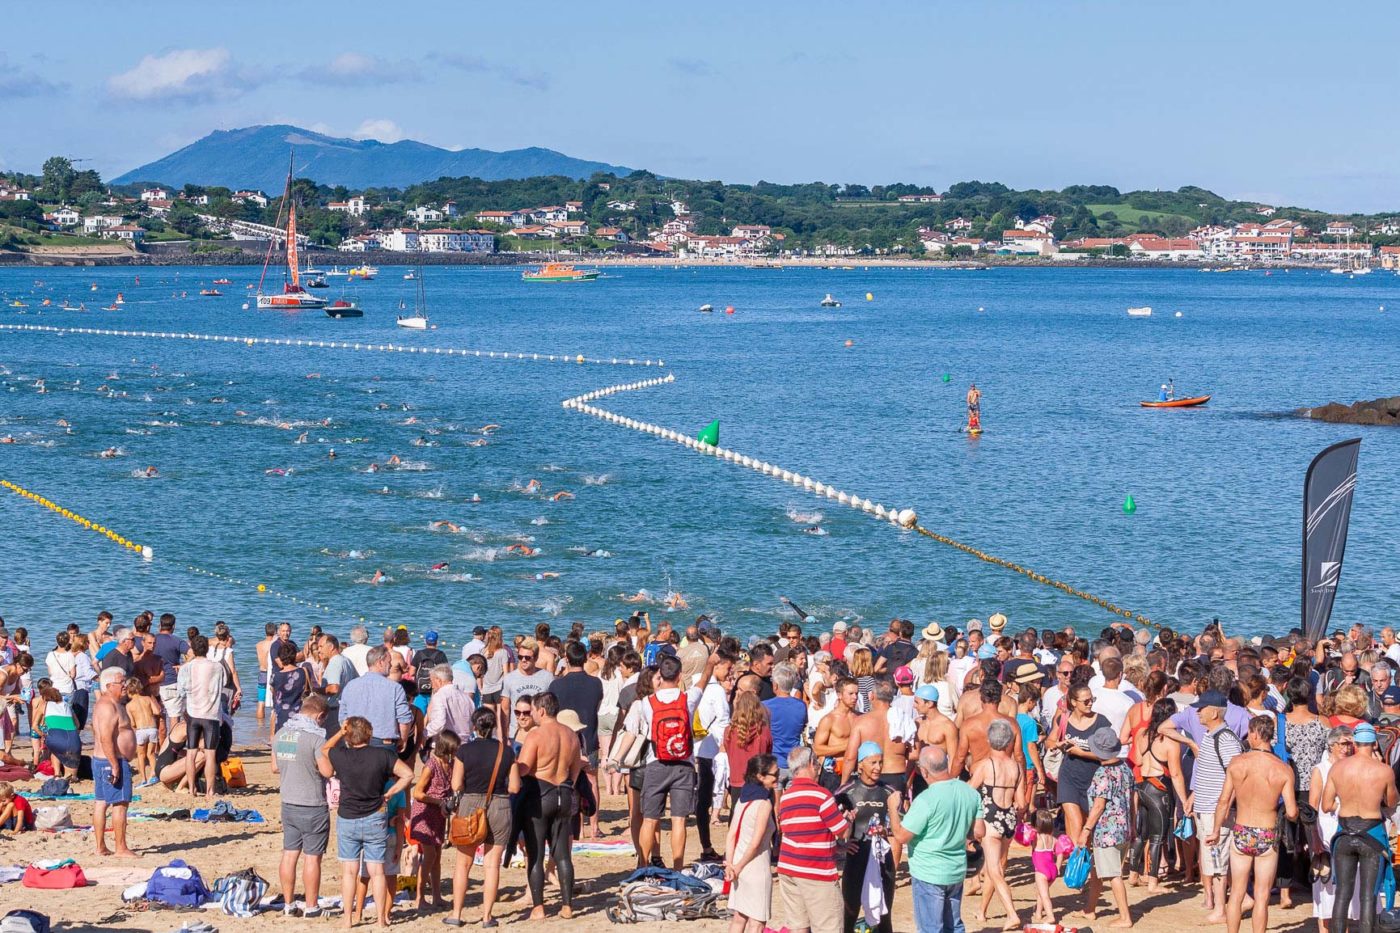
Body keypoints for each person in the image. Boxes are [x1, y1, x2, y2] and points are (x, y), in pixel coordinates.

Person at [319, 716, 414, 930]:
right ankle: (381, 919)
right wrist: (391, 792)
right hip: (375, 816)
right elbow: (408, 775)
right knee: (377, 871)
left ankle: (347, 919)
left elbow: (325, 749)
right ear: (369, 735)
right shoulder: (383, 755)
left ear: (349, 736)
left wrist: (341, 732)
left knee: (350, 872)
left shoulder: (341, 755)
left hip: (348, 817)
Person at [1205, 715, 1298, 933]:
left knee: (1236, 893)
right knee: (1262, 896)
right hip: (1267, 833)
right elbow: (1292, 812)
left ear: (1255, 734)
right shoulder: (1283, 769)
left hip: (1242, 831)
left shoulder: (1237, 763)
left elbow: (1224, 801)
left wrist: (1216, 830)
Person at [631, 652, 715, 869]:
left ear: (660, 675)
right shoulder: (688, 698)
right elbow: (704, 681)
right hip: (684, 765)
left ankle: (643, 863)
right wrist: (710, 663)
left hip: (656, 763)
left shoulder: (647, 703)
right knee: (679, 819)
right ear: (679, 676)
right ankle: (677, 866)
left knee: (650, 819)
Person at [894, 746, 983, 933]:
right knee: (954, 925)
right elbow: (979, 832)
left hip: (929, 872)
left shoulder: (926, 799)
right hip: (956, 869)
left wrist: (892, 810)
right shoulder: (970, 792)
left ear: (923, 771)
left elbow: (901, 836)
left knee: (931, 928)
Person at [1320, 721, 1398, 933]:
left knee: (1342, 895)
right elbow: (1391, 802)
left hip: (1344, 833)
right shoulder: (1383, 771)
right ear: (1374, 743)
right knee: (1368, 897)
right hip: (1371, 833)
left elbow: (1326, 805)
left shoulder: (1338, 768)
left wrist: (1344, 802)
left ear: (1354, 742)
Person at [515, 691, 583, 920]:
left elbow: (523, 769)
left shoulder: (536, 735)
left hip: (540, 794)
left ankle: (538, 907)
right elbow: (575, 771)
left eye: (533, 710)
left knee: (535, 854)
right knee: (563, 854)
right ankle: (567, 906)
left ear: (541, 710)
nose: (531, 714)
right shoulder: (571, 735)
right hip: (563, 793)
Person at [448, 707, 515, 928]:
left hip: (470, 804)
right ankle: (487, 916)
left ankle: (456, 914)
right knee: (492, 864)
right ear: (494, 726)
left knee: (463, 863)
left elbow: (456, 784)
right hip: (500, 805)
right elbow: (514, 785)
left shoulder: (464, 751)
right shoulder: (505, 751)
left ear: (474, 726)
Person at [776, 747, 850, 933]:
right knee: (829, 926)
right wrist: (848, 819)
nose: (818, 768)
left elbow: (795, 831)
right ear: (810, 764)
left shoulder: (786, 797)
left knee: (798, 926)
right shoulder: (822, 795)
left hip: (789, 867)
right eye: (817, 763)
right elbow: (842, 832)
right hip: (815, 871)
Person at [272, 693, 330, 918]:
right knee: (312, 857)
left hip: (288, 801)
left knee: (289, 854)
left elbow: (275, 767)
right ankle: (312, 905)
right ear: (320, 715)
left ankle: (288, 904)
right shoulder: (316, 738)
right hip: (312, 803)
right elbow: (327, 771)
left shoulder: (281, 733)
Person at [837, 741, 901, 933]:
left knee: (884, 915)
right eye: (872, 762)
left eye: (880, 762)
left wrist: (886, 829)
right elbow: (829, 822)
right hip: (856, 857)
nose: (878, 767)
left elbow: (903, 823)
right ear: (860, 765)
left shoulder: (889, 791)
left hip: (882, 859)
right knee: (849, 913)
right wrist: (841, 845)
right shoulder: (846, 792)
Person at [969, 719, 1025, 930]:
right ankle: (982, 911)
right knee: (997, 869)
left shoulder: (985, 765)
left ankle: (1011, 914)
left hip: (990, 818)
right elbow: (1021, 803)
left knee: (993, 870)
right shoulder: (1016, 767)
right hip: (1008, 819)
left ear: (989, 740)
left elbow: (969, 791)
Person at [1078, 726, 1136, 928]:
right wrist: (1134, 824)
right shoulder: (1125, 768)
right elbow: (1133, 798)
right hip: (1124, 828)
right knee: (1098, 869)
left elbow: (1099, 805)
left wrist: (1085, 830)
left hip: (1107, 831)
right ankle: (1090, 909)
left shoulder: (1103, 773)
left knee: (1112, 874)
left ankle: (1125, 917)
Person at [1129, 698, 1188, 893]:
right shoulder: (1170, 741)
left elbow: (1137, 760)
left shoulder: (1143, 734)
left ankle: (1133, 874)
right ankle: (1153, 881)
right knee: (1157, 837)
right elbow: (1177, 773)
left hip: (1142, 785)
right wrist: (1184, 799)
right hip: (1159, 788)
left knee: (1141, 834)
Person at [725, 753, 779, 933]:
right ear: (760, 776)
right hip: (756, 867)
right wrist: (738, 866)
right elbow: (756, 843)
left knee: (739, 918)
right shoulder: (764, 803)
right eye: (774, 775)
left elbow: (731, 834)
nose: (778, 779)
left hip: (738, 863)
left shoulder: (742, 798)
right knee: (757, 923)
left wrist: (730, 864)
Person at [409, 729, 456, 911]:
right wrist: (438, 801)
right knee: (430, 855)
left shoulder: (448, 764)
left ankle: (436, 896)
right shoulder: (431, 765)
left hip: (438, 813)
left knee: (437, 856)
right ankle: (420, 897)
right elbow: (418, 792)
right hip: (426, 813)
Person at [92, 667, 137, 857]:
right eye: (122, 682)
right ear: (109, 685)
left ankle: (101, 847)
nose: (125, 685)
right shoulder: (107, 706)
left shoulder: (112, 703)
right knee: (120, 803)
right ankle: (121, 847)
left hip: (106, 761)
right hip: (110, 761)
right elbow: (105, 738)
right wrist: (115, 764)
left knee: (102, 802)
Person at [178, 634, 226, 801]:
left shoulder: (186, 668)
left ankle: (191, 789)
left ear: (193, 649)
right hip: (211, 714)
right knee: (210, 754)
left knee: (190, 753)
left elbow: (181, 691)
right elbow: (223, 684)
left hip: (192, 713)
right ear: (207, 649)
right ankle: (210, 791)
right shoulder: (217, 667)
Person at [339, 645, 413, 751]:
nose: (391, 665)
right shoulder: (394, 687)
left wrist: (348, 738)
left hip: (356, 741)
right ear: (380, 662)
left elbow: (343, 718)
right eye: (389, 661)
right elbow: (404, 719)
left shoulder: (350, 686)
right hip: (383, 743)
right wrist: (403, 739)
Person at [813, 677, 860, 791]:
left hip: (855, 770)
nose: (855, 697)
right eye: (850, 694)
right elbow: (817, 749)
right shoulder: (829, 719)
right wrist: (848, 746)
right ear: (839, 695)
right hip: (834, 772)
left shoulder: (859, 717)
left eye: (856, 693)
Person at [500, 638, 553, 738]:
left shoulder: (547, 677)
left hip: (540, 734)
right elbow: (505, 709)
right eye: (520, 657)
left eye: (527, 657)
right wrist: (504, 735)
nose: (523, 660)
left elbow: (551, 710)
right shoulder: (509, 679)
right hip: (515, 733)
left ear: (536, 658)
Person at [764, 662, 807, 782]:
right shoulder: (801, 706)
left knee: (776, 799)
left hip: (774, 760)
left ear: (775, 685)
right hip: (794, 761)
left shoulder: (766, 706)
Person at [423, 664, 474, 749]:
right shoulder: (466, 698)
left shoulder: (439, 696)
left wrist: (424, 734)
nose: (431, 685)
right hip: (464, 744)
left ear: (439, 680)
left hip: (444, 745)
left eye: (431, 681)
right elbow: (472, 724)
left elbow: (439, 722)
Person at [318, 634, 357, 735]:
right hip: (347, 708)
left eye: (321, 646)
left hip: (335, 710)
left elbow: (334, 688)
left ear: (331, 647)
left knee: (333, 744)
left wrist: (317, 690)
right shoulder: (346, 660)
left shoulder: (335, 662)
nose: (319, 650)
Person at [125, 678, 160, 786]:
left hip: (141, 730)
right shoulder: (147, 699)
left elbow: (132, 723)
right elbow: (157, 711)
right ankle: (154, 775)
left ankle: (143, 779)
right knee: (151, 753)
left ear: (128, 691)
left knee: (141, 755)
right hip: (152, 728)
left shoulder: (129, 705)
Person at [411, 631, 448, 714]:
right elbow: (446, 673)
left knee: (419, 714)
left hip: (420, 690)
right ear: (437, 642)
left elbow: (411, 672)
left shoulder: (419, 654)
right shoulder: (441, 655)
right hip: (435, 690)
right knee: (434, 715)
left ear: (425, 641)